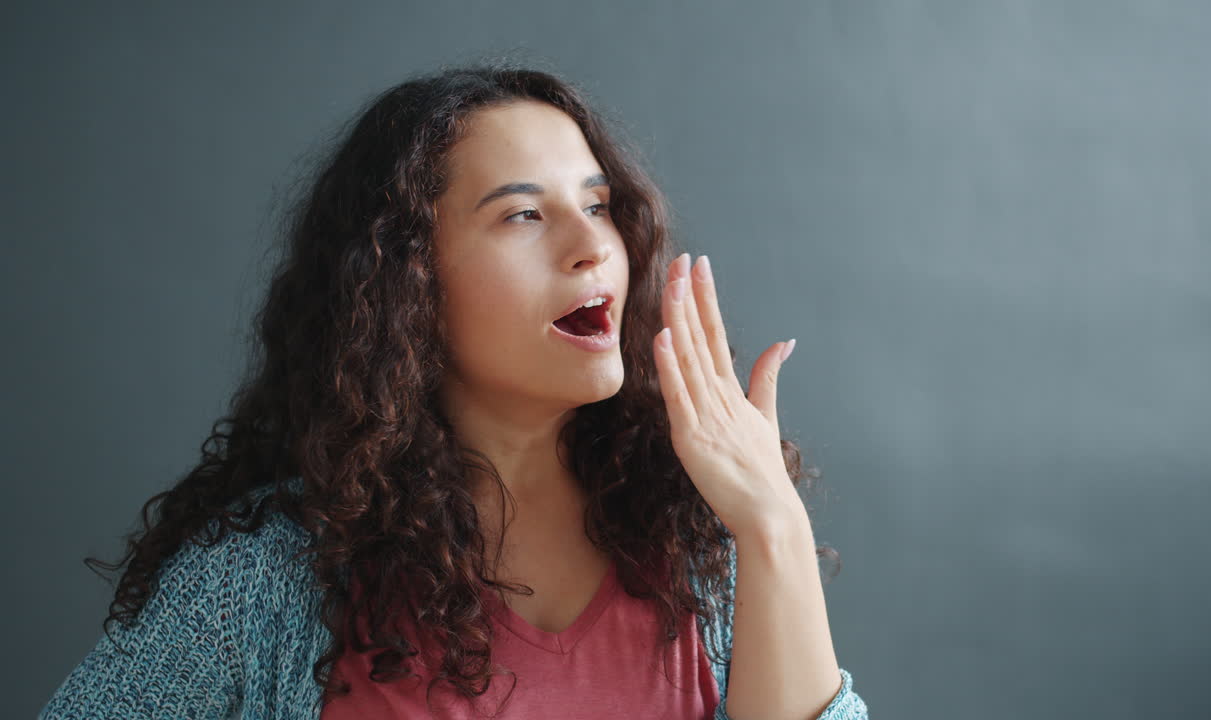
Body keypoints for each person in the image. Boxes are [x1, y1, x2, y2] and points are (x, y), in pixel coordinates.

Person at [40, 62, 869, 720]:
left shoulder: (696, 544)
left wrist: (772, 526)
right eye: (522, 216)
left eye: (599, 204)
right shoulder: (261, 584)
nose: (593, 246)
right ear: (407, 282)